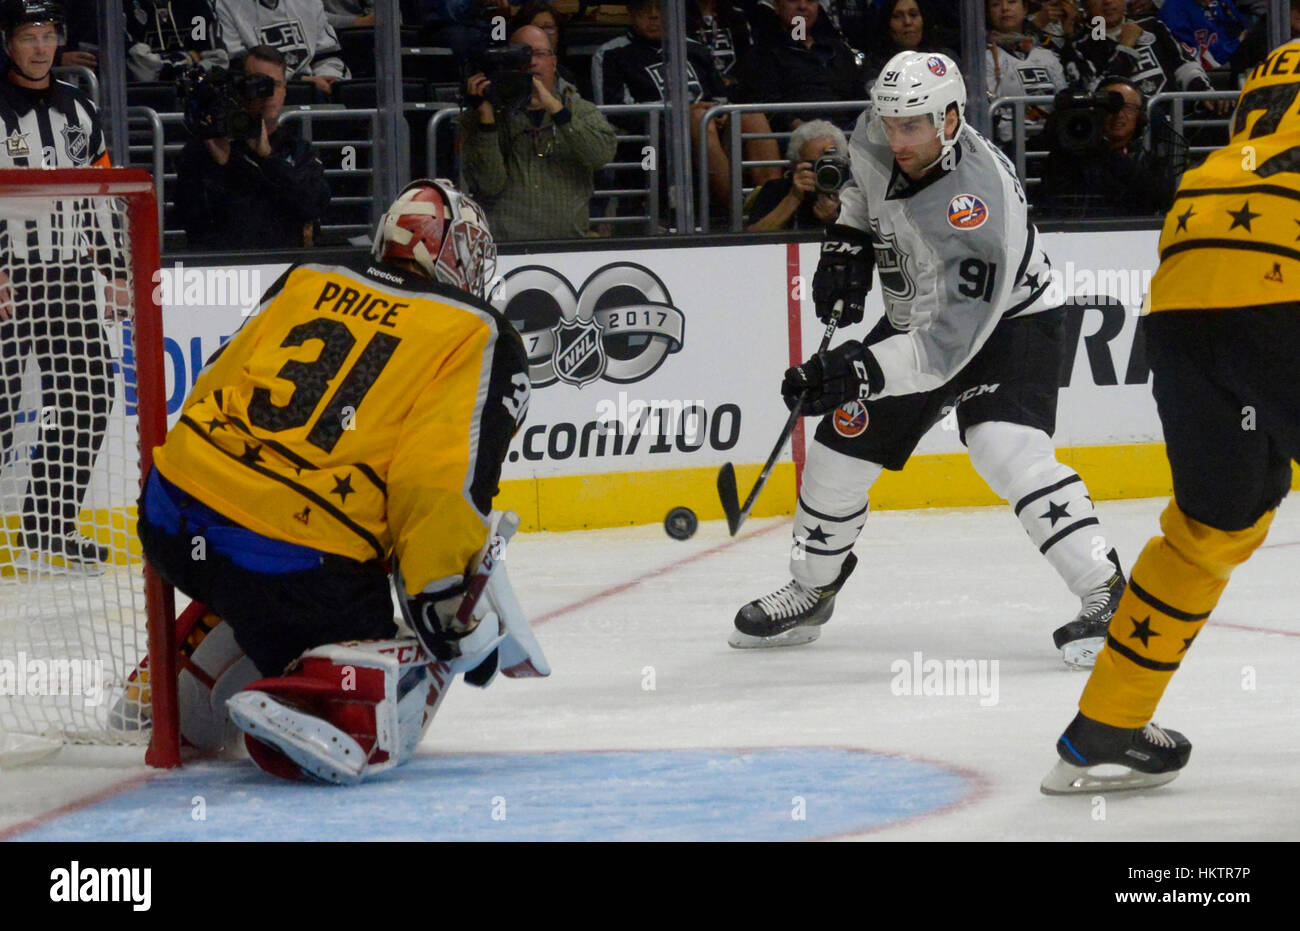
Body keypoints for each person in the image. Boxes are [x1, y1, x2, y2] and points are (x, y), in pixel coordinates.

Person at [134, 178, 543, 784]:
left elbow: (216, 383)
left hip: (170, 513)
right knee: (413, 641)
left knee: (249, 559)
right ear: (452, 255)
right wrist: (445, 607)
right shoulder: (478, 331)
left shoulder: (309, 276)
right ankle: (314, 703)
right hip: (293, 567)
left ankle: (173, 691)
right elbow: (434, 482)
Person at [733, 51, 1126, 670]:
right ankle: (813, 586)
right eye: (890, 122)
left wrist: (852, 370)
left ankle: (1106, 591)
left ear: (950, 119)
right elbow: (863, 185)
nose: (897, 137)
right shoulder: (881, 125)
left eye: (912, 125)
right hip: (922, 314)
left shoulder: (980, 207)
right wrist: (848, 242)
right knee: (840, 449)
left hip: (1010, 324)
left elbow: (944, 349)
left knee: (1004, 445)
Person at [1041, 40, 1300, 794]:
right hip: (1284, 278)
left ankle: (1108, 722)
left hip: (1187, 279)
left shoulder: (1279, 59)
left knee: (1213, 523)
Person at [0, 0, 129, 568]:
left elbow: (99, 192)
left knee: (87, 398)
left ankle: (48, 527)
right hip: (10, 278)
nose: (41, 47)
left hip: (71, 277)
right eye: (29, 36)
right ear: (8, 41)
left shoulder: (80, 106)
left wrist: (117, 271)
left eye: (49, 35)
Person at [594, 0, 781, 208]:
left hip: (709, 133)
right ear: (630, 13)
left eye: (661, 8)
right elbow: (614, 113)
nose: (654, 15)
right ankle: (737, 208)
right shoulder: (612, 53)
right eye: (644, 8)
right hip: (652, 141)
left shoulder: (693, 48)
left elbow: (721, 95)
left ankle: (772, 203)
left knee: (751, 116)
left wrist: (719, 112)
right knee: (700, 119)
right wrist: (679, 115)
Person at [460, 24, 616, 240]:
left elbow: (600, 156)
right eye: (522, 55)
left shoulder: (581, 109)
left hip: (568, 245)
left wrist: (556, 109)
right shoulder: (486, 114)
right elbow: (488, 185)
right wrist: (487, 120)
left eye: (540, 54)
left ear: (554, 62)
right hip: (506, 248)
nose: (532, 62)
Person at [173, 44, 331, 250]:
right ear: (239, 89)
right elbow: (190, 222)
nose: (268, 94)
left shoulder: (297, 150)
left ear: (285, 91)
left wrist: (268, 159)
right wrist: (221, 167)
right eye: (258, 84)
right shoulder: (206, 147)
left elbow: (314, 205)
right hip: (224, 271)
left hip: (283, 268)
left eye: (275, 84)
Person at [1036, 76, 1186, 218]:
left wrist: (1104, 149)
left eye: (1127, 107)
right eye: (1110, 107)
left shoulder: (1149, 162)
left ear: (1140, 117)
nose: (1119, 114)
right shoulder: (1069, 155)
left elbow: (1155, 197)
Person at [734, 0, 868, 133]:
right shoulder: (761, 54)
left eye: (810, 1)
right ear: (776, 5)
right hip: (795, 137)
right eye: (793, 0)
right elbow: (768, 106)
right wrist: (805, 130)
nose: (803, 6)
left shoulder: (839, 50)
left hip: (848, 133)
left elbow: (859, 100)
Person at [215, 0, 349, 96]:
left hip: (315, 89)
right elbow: (238, 67)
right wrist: (301, 81)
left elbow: (329, 55)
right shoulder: (224, 5)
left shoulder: (310, 3)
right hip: (261, 94)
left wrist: (329, 79)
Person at [986, 0, 1067, 148]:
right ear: (989, 13)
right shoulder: (985, 58)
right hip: (1010, 146)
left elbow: (1064, 100)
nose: (1004, 8)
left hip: (1052, 142)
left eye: (1011, 2)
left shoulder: (1048, 55)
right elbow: (992, 110)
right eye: (996, 4)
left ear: (1025, 10)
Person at [744, 118, 846, 231]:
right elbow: (752, 240)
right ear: (794, 165)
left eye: (830, 163)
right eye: (813, 164)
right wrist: (793, 198)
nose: (823, 170)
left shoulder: (854, 194)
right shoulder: (776, 190)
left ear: (843, 163)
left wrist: (835, 221)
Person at [125, 0, 229, 82]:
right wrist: (189, 59)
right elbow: (141, 68)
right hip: (141, 98)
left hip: (195, 95)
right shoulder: (123, 7)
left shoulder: (196, 5)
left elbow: (217, 59)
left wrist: (169, 65)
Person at [862, 0, 959, 83]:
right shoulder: (874, 67)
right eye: (897, 16)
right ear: (887, 24)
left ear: (923, 20)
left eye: (913, 15)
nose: (907, 22)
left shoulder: (946, 59)